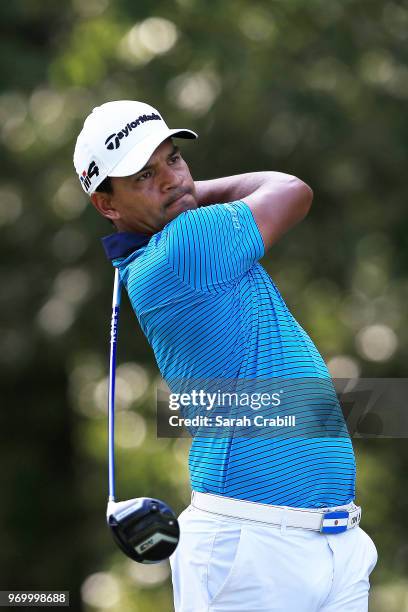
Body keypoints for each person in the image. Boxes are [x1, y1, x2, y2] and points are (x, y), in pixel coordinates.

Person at [74, 100, 378, 611]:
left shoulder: (176, 241)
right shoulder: (186, 246)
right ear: (107, 205)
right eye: (144, 176)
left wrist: (174, 194)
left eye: (174, 160)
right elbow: (291, 190)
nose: (171, 179)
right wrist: (191, 195)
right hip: (252, 548)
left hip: (334, 543)